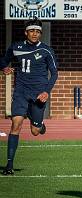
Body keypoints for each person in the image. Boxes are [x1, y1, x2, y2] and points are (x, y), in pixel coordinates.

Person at [0, 17, 58, 175]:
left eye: (38, 32)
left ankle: (38, 123)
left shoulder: (47, 50)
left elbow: (54, 74)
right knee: (15, 125)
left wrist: (46, 91)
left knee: (35, 131)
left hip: (39, 94)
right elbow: (3, 61)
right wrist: (4, 67)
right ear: (26, 32)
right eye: (32, 31)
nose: (35, 34)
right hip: (20, 92)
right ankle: (9, 165)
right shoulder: (15, 47)